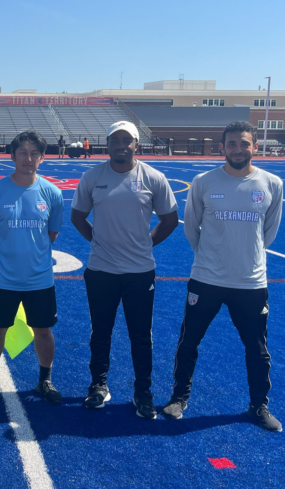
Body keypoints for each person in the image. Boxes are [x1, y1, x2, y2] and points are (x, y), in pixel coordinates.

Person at [163, 121, 284, 432]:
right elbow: (191, 227)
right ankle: (179, 398)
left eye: (244, 143)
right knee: (189, 340)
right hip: (206, 278)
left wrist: (247, 255)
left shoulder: (272, 184)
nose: (238, 149)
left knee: (257, 348)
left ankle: (259, 405)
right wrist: (209, 257)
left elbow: (267, 233)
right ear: (222, 148)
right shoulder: (204, 182)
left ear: (254, 147)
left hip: (250, 282)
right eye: (232, 144)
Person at [70, 121, 178, 419]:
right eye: (115, 140)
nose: (121, 145)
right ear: (107, 144)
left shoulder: (153, 178)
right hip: (101, 270)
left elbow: (169, 219)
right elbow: (78, 216)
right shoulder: (93, 177)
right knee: (100, 332)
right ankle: (98, 385)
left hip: (139, 271)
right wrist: (98, 241)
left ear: (136, 145)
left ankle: (143, 392)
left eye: (126, 140)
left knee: (140, 335)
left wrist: (147, 243)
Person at [0, 130, 65, 404]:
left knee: (43, 331)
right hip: (3, 279)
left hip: (40, 279)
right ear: (12, 155)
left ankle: (45, 379)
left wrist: (29, 251)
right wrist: (9, 249)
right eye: (23, 152)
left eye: (34, 153)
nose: (28, 158)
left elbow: (52, 234)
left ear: (42, 157)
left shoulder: (52, 193)